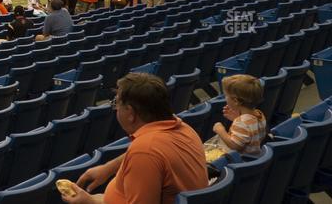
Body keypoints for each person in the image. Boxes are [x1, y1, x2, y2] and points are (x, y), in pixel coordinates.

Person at [62, 74, 206, 204]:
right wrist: (108, 168)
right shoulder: (183, 128)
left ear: (130, 113)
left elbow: (147, 154)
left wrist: (90, 203)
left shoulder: (145, 151)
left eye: (117, 104)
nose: (116, 109)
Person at [211, 74, 266, 156]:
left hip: (242, 160)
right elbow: (250, 131)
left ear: (236, 101)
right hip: (254, 156)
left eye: (226, 95)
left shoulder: (242, 123)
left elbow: (234, 146)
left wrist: (220, 130)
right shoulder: (259, 114)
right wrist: (236, 118)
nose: (225, 98)